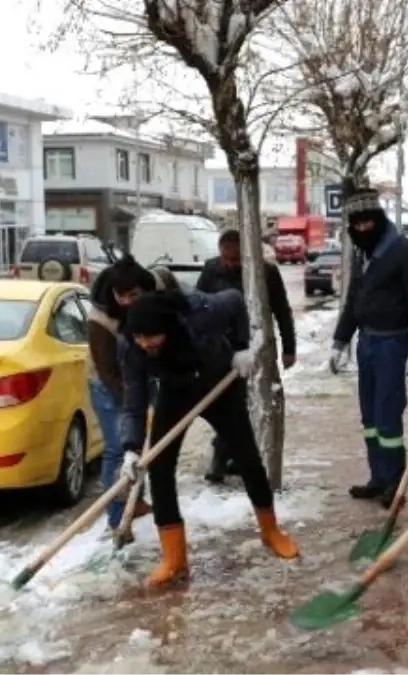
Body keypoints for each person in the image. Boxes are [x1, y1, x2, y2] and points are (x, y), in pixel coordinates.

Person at [117, 286, 300, 589]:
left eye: (151, 337)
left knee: (247, 458)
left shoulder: (201, 312)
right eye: (139, 338)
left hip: (219, 384)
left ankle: (271, 531)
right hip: (176, 390)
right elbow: (134, 398)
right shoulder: (130, 345)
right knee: (160, 468)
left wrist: (242, 348)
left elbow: (235, 299)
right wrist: (131, 448)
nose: (145, 343)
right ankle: (173, 557)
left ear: (168, 327)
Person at [329, 189, 408, 508]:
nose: (361, 230)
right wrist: (340, 341)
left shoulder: (405, 252)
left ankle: (394, 482)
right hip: (367, 343)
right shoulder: (364, 253)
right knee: (370, 417)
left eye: (367, 222)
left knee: (388, 417)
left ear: (378, 219)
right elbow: (353, 301)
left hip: (392, 343)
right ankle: (378, 477)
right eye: (355, 224)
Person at [195, 229, 297, 484]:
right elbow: (197, 307)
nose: (229, 265)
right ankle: (222, 456)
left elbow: (282, 311)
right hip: (220, 349)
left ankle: (239, 458)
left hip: (255, 347)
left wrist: (289, 348)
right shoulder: (211, 271)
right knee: (225, 406)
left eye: (235, 261)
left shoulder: (266, 273)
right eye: (225, 260)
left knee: (254, 405)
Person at [86, 256, 165, 533]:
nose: (128, 301)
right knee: (119, 451)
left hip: (143, 378)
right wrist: (133, 405)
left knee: (141, 447)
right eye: (122, 297)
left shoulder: (156, 287)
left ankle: (137, 501)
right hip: (110, 387)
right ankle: (118, 517)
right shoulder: (101, 320)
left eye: (135, 295)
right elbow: (107, 371)